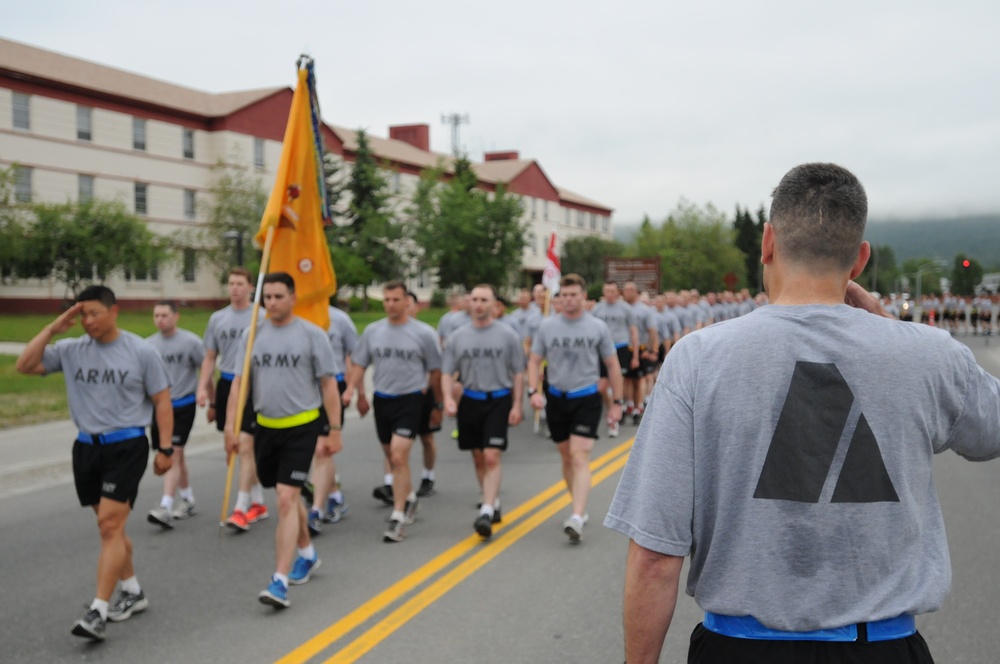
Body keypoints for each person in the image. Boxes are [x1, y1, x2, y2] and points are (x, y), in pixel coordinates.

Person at [605, 163, 1000, 664]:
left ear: (767, 243)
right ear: (859, 260)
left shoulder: (697, 358)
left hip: (739, 649)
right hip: (882, 648)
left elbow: (656, 558)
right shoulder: (929, 354)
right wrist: (893, 330)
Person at [16, 285, 173, 641]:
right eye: (81, 315)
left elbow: (162, 401)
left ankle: (98, 611)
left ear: (113, 311)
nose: (87, 322)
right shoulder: (71, 350)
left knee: (108, 525)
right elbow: (25, 365)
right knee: (111, 530)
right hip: (86, 448)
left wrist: (165, 448)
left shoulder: (140, 351)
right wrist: (54, 330)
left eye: (93, 314)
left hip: (127, 445)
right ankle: (132, 590)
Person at [225, 272, 342, 609]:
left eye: (279, 296)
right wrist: (233, 428)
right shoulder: (252, 335)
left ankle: (279, 581)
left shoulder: (311, 335)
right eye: (268, 297)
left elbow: (329, 385)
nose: (272, 303)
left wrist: (333, 429)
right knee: (284, 496)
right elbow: (238, 385)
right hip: (265, 427)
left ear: (292, 297)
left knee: (287, 499)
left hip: (302, 427)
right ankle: (307, 553)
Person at [343, 280, 443, 542]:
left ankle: (398, 516)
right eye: (386, 300)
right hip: (383, 399)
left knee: (399, 456)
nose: (390, 305)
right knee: (390, 454)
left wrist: (433, 400)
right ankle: (408, 497)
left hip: (410, 399)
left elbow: (435, 368)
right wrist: (351, 390)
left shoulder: (423, 333)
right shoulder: (373, 331)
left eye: (395, 300)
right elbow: (359, 363)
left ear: (407, 302)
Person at [527, 274, 623, 542]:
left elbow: (613, 366)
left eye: (573, 294)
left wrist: (617, 402)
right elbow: (535, 361)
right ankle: (577, 505)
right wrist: (533, 391)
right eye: (564, 295)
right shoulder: (547, 327)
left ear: (583, 296)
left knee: (580, 456)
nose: (568, 300)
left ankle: (577, 516)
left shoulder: (597, 327)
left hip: (587, 397)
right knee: (567, 457)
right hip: (556, 397)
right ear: (558, 298)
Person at [441, 284, 525, 538]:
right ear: (469, 303)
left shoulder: (508, 335)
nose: (478, 304)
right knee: (478, 456)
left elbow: (518, 372)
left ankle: (486, 509)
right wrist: (447, 398)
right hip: (471, 400)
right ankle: (491, 498)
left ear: (493, 304)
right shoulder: (458, 336)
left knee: (491, 456)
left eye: (484, 300)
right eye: (475, 299)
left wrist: (518, 404)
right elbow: (447, 371)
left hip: (498, 399)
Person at [197, 267, 268, 531]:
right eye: (231, 283)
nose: (234, 288)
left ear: (251, 287)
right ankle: (258, 501)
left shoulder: (260, 317)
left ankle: (241, 506)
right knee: (234, 447)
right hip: (228, 383)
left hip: (252, 385)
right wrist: (203, 388)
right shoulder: (218, 319)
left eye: (240, 283)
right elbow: (209, 357)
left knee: (245, 446)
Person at [145, 300, 205, 528]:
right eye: (156, 315)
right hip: (160, 408)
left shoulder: (190, 342)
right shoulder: (148, 345)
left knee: (173, 451)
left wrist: (209, 397)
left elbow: (205, 367)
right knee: (175, 454)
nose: (160, 319)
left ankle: (166, 506)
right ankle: (187, 497)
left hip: (184, 405)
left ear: (175, 316)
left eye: (164, 315)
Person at [306, 304, 365, 535]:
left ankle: (316, 511)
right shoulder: (298, 318)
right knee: (315, 447)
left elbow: (355, 357)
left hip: (332, 386)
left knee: (323, 448)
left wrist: (357, 391)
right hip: (304, 389)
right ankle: (334, 496)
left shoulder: (340, 319)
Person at [591, 282, 640, 437]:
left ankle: (615, 418)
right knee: (602, 386)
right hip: (602, 349)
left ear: (617, 292)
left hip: (621, 347)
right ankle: (612, 408)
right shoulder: (597, 309)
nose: (610, 294)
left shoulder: (625, 308)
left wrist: (635, 355)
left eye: (612, 291)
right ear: (604, 292)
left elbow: (633, 331)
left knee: (619, 380)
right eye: (607, 291)